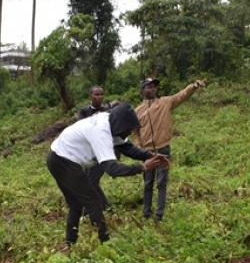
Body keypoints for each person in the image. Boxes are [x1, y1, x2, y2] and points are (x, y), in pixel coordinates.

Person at [47, 102, 168, 246]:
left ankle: (70, 243)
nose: (128, 134)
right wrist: (142, 167)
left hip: (60, 158)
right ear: (121, 125)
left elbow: (127, 147)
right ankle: (105, 242)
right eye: (127, 131)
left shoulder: (111, 121)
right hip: (63, 161)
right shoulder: (100, 131)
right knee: (93, 201)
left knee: (76, 204)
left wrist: (150, 155)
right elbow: (112, 169)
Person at [135, 77, 206, 221]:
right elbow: (135, 131)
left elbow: (181, 95)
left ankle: (159, 215)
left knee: (161, 182)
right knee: (148, 183)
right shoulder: (137, 111)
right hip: (147, 152)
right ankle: (146, 213)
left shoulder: (165, 102)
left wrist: (193, 86)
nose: (152, 88)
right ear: (143, 90)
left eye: (154, 86)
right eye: (149, 86)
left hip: (163, 148)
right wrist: (138, 146)